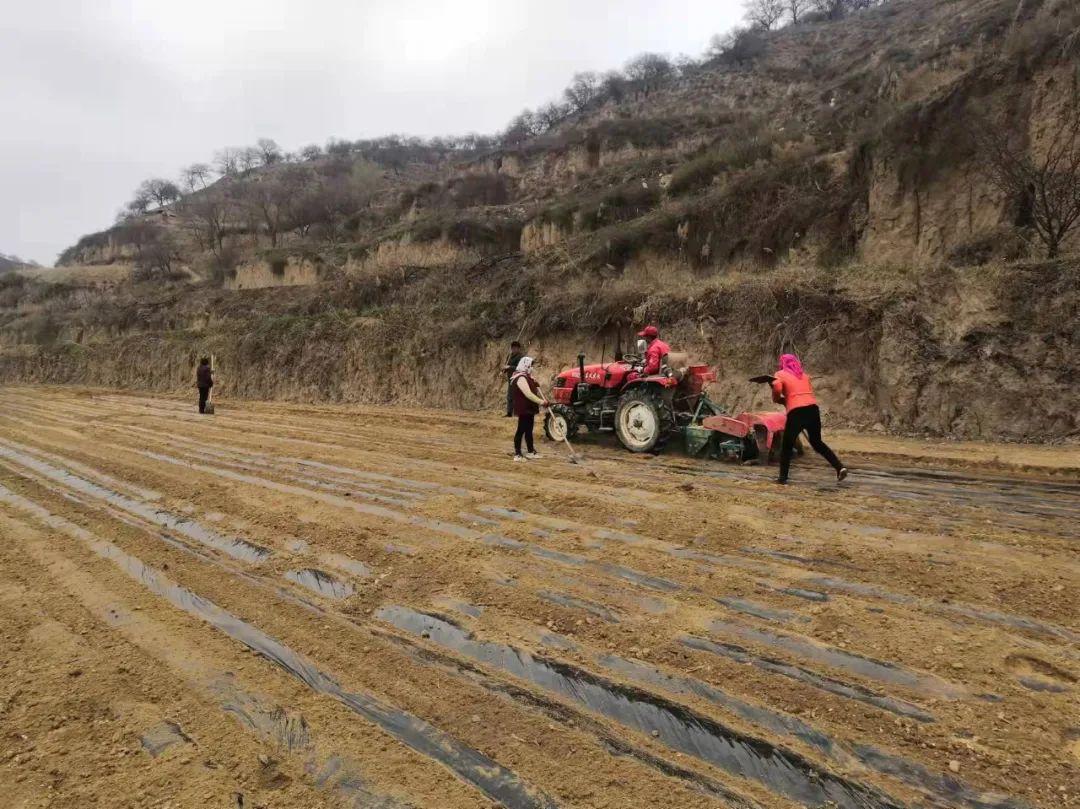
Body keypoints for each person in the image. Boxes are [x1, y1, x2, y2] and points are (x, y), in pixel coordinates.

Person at [771, 354, 848, 484]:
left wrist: (777, 396)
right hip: (813, 410)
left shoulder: (780, 374)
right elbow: (802, 393)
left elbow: (778, 388)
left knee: (787, 447)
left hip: (796, 413)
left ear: (782, 363)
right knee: (817, 443)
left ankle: (782, 479)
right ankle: (840, 467)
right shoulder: (804, 376)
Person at [510, 356, 547, 462]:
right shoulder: (520, 378)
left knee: (529, 430)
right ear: (525, 365)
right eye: (530, 366)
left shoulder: (527, 377)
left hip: (529, 408)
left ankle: (530, 451)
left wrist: (534, 383)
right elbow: (528, 394)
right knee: (521, 430)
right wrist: (541, 402)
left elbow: (532, 388)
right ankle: (517, 454)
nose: (532, 368)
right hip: (523, 408)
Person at [503, 340, 524, 417]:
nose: (513, 349)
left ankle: (518, 412)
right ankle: (509, 413)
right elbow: (506, 365)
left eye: (515, 348)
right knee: (510, 396)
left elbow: (520, 368)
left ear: (518, 349)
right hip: (510, 379)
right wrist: (504, 369)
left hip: (518, 379)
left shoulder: (521, 357)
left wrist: (510, 367)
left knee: (517, 396)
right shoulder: (509, 356)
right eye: (512, 348)